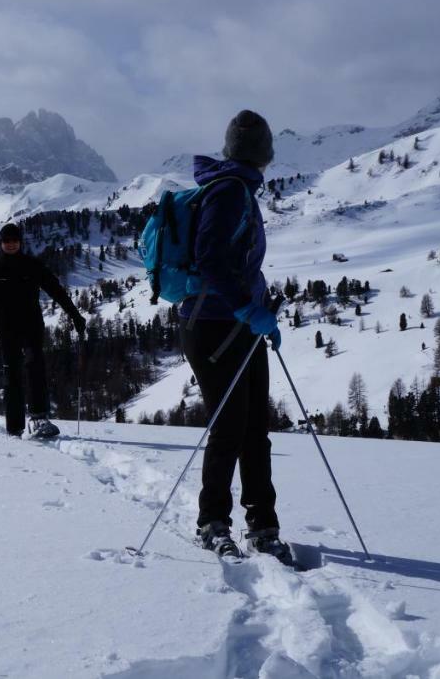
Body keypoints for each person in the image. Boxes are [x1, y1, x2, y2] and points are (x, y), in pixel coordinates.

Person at [179, 109, 293, 565]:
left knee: (253, 430)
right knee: (231, 426)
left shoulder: (236, 188)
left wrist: (257, 310)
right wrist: (248, 307)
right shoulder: (229, 191)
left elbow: (238, 261)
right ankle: (212, 523)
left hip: (238, 325)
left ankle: (262, 524)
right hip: (214, 326)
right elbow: (210, 258)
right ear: (263, 154)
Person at [0, 223, 85, 438]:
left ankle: (39, 418)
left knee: (35, 366)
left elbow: (57, 291)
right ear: (1, 243)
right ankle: (14, 426)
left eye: (14, 240)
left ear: (20, 242)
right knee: (12, 373)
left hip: (31, 325)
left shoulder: (33, 265)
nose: (11, 244)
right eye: (7, 241)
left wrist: (75, 315)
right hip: (6, 329)